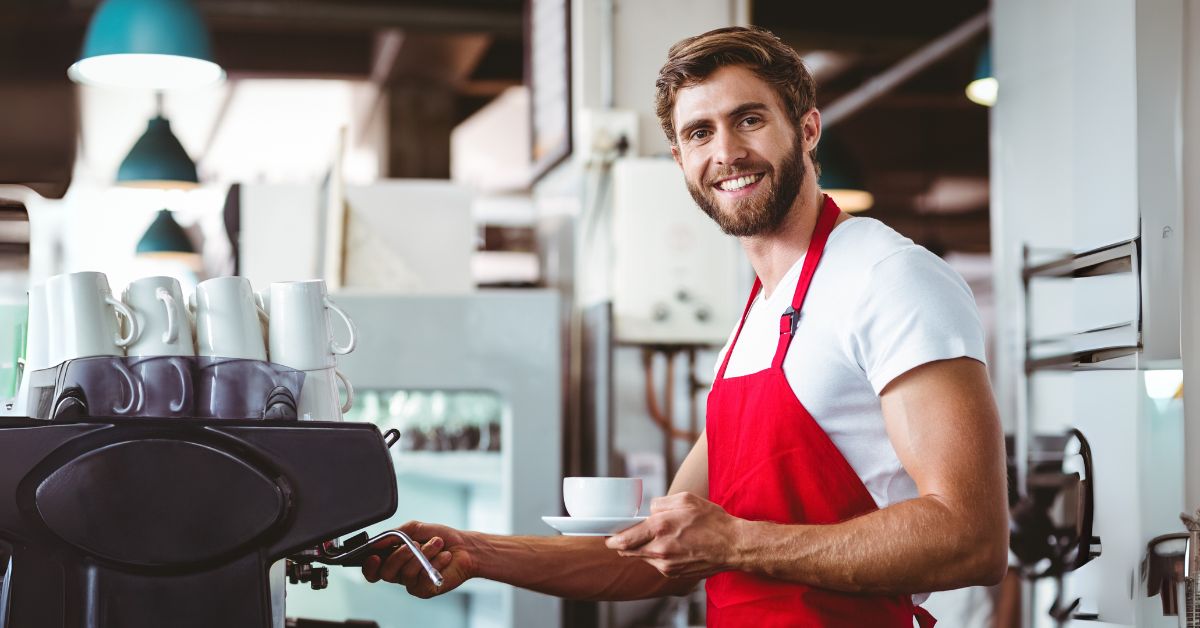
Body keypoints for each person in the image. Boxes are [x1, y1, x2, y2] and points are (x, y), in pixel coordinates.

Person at [362, 25, 1008, 627]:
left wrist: (735, 542)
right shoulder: (758, 313)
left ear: (807, 129)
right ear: (679, 158)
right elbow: (657, 559)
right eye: (700, 133)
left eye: (749, 120)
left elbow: (970, 538)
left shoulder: (887, 276)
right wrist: (474, 551)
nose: (726, 152)